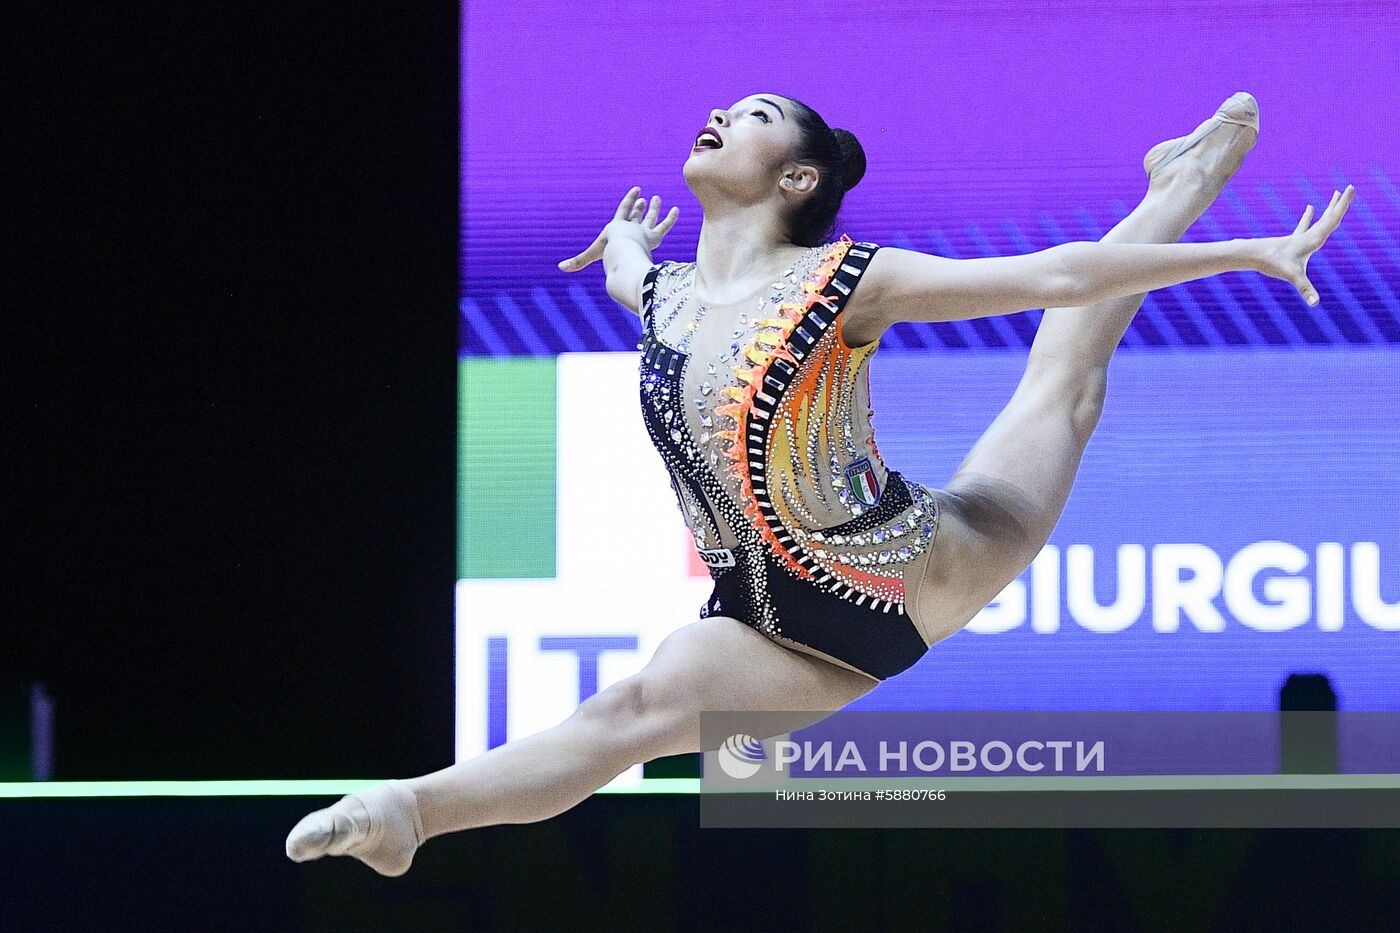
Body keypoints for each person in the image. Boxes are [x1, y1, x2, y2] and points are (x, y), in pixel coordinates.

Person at [286, 91, 1354, 876]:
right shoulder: (660, 296)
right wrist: (621, 241)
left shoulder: (849, 279)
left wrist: (1244, 252)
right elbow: (629, 274)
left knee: (1064, 369)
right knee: (629, 709)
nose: (717, 112)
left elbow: (1060, 277)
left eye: (751, 115)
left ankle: (1182, 183)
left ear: (796, 179)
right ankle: (406, 815)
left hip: (918, 567)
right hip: (770, 624)